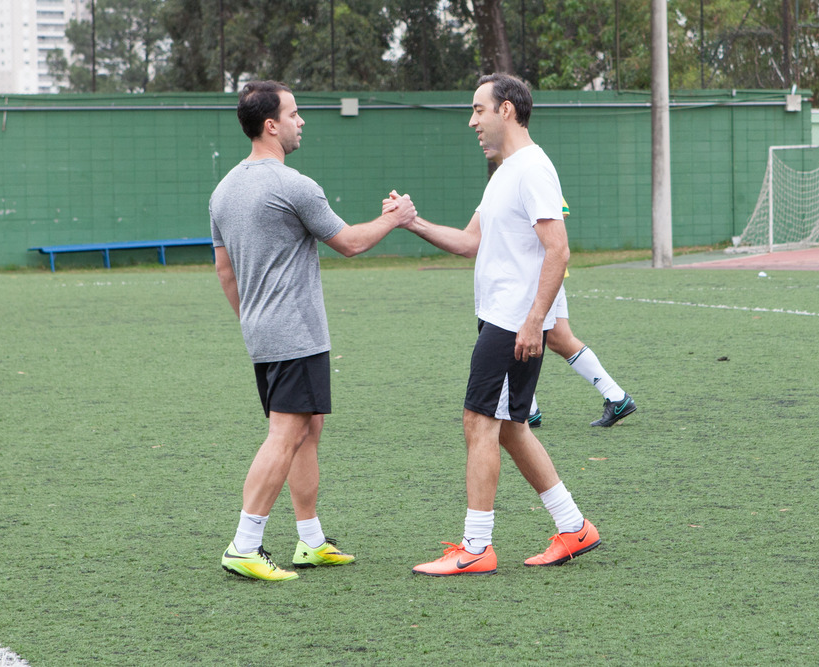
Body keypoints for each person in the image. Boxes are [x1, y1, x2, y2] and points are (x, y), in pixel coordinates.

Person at [394, 73, 600, 576]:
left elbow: (559, 249)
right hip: (503, 319)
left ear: (506, 110)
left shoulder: (532, 169)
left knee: (479, 422)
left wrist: (534, 322)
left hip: (513, 322)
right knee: (508, 427)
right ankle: (573, 528)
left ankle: (476, 547)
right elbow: (470, 242)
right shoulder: (504, 172)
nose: (472, 121)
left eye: (478, 109)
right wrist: (412, 222)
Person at [210, 80, 416, 581]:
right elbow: (348, 243)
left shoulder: (223, 190)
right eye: (295, 114)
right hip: (294, 334)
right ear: (271, 125)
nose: (302, 122)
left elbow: (225, 273)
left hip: (262, 332)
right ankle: (244, 544)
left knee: (306, 432)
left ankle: (310, 541)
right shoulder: (294, 185)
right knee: (285, 434)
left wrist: (254, 321)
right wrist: (395, 218)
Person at [528, 289, 637, 428]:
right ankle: (616, 396)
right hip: (547, 276)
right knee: (559, 339)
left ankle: (526, 409)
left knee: (517, 332)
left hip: (536, 278)